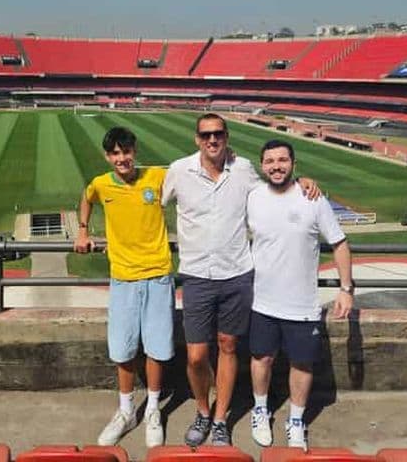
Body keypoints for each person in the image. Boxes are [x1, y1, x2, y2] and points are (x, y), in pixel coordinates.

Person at [162, 113, 319, 446]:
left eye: (218, 133)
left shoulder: (244, 169)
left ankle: (220, 420)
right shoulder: (179, 170)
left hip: (236, 274)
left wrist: (302, 179)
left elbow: (275, 185)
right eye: (206, 135)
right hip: (197, 274)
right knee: (195, 356)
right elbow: (147, 202)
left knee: (229, 346)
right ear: (197, 139)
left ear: (227, 136)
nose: (212, 140)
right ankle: (203, 411)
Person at [246, 139, 353, 450]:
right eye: (270, 161)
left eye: (282, 160)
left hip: (303, 304)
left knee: (302, 364)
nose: (276, 166)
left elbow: (340, 244)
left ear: (293, 163)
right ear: (262, 165)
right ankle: (261, 410)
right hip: (263, 300)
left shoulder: (313, 198)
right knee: (261, 358)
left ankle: (296, 420)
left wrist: (346, 290)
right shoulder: (253, 196)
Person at [74, 127, 173, 448]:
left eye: (126, 151)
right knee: (123, 350)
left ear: (135, 151)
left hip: (158, 275)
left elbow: (199, 172)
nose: (122, 158)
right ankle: (127, 411)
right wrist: (83, 230)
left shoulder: (158, 176)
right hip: (123, 277)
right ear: (108, 156)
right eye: (115, 153)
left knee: (157, 348)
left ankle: (153, 410)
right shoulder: (101, 184)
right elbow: (86, 198)